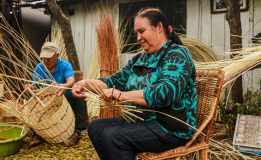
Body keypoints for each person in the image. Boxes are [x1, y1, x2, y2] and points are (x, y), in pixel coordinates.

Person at [71, 8, 197, 160]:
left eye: (141, 31)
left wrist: (122, 96)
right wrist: (84, 84)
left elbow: (166, 93)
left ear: (159, 27)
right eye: (136, 33)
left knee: (114, 137)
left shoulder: (177, 54)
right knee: (95, 127)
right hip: (141, 120)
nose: (138, 37)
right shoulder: (139, 59)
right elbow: (112, 81)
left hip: (169, 127)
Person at [25, 42, 88, 147]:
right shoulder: (39, 68)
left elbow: (71, 81)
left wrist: (64, 86)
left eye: (49, 58)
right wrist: (30, 88)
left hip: (65, 98)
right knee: (32, 101)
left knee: (79, 97)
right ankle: (38, 134)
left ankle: (76, 132)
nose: (45, 61)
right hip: (48, 101)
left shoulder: (65, 65)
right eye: (43, 58)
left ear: (57, 55)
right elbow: (35, 86)